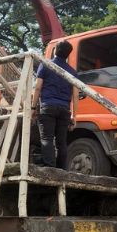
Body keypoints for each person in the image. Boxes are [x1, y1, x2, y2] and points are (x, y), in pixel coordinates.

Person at [32, 40, 79, 169]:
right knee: (61, 142)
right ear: (68, 55)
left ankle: (50, 168)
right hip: (64, 109)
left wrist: (33, 107)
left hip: (48, 106)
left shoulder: (46, 65)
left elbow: (37, 88)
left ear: (54, 51)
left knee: (47, 138)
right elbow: (75, 96)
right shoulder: (72, 72)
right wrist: (75, 116)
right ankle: (62, 169)